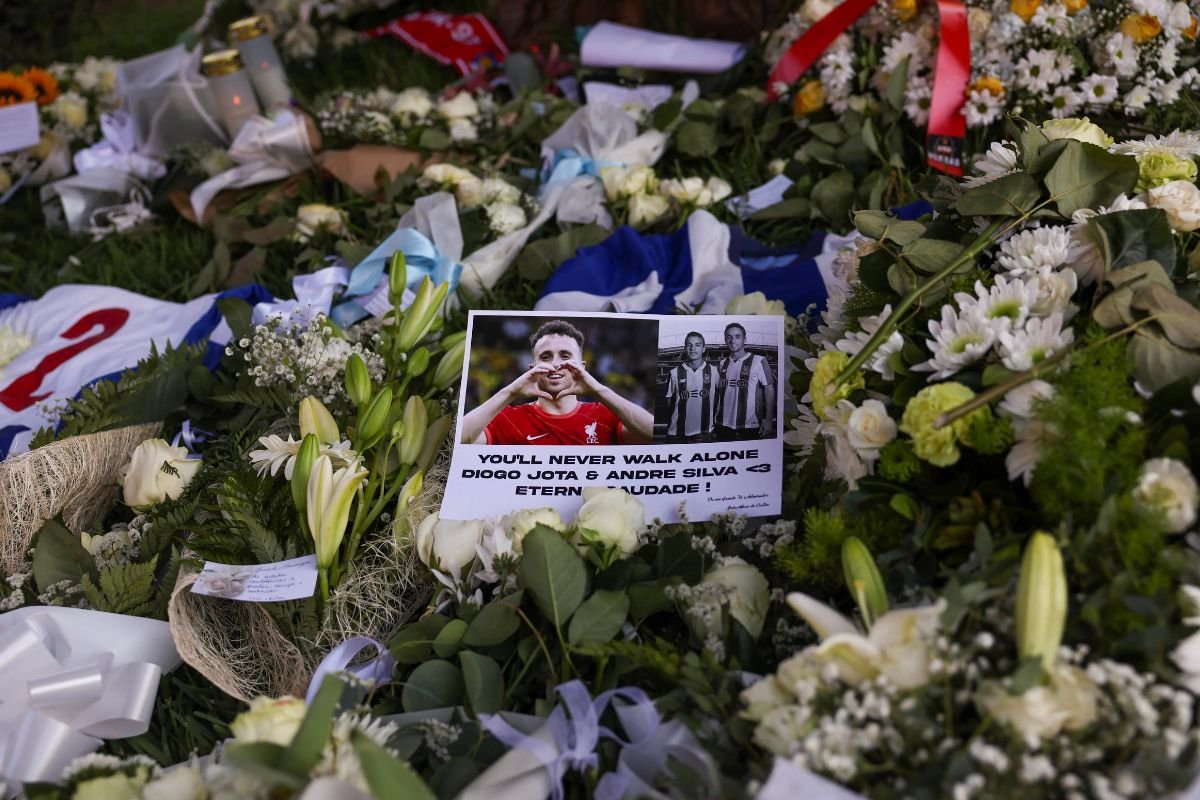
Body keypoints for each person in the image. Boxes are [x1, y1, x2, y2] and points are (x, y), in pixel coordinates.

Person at [461, 319, 654, 445]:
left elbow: (655, 435)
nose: (555, 364)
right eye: (545, 357)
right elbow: (461, 439)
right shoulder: (507, 418)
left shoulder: (604, 415)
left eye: (565, 356)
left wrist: (598, 390)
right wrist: (510, 392)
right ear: (532, 368)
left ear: (582, 366)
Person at [715, 322, 775, 440]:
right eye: (729, 337)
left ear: (744, 339)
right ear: (725, 340)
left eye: (737, 336)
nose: (733, 340)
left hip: (750, 424)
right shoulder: (723, 363)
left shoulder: (759, 361)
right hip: (723, 423)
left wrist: (768, 419)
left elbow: (769, 389)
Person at [664, 331, 721, 443]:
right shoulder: (674, 372)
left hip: (704, 433)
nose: (693, 348)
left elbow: (721, 399)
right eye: (689, 345)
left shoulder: (714, 372)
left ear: (704, 349)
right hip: (676, 434)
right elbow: (669, 402)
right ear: (685, 348)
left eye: (697, 345)